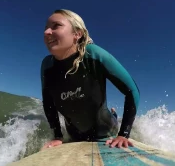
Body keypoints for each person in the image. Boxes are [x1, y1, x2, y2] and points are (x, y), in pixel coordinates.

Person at [40, 9, 140, 150]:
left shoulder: (94, 54)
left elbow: (132, 90)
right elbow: (48, 102)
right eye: (46, 28)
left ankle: (114, 114)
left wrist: (123, 134)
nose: (46, 32)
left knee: (110, 116)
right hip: (74, 135)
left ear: (77, 34)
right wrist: (58, 136)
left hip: (106, 131)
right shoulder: (47, 65)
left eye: (56, 26)